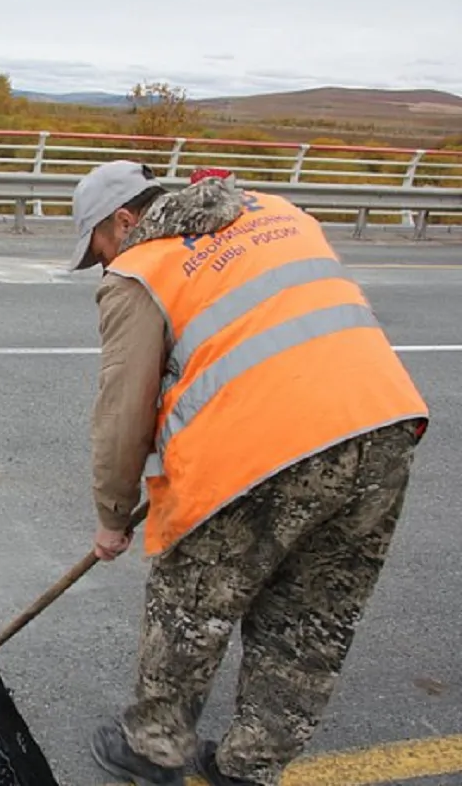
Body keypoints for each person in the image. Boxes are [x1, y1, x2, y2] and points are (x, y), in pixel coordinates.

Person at [69, 160, 429, 785]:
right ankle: (249, 767)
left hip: (262, 441)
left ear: (124, 221)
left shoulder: (141, 268)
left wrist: (112, 516)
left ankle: (152, 748)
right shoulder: (274, 210)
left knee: (191, 602)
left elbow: (124, 413)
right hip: (382, 426)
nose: (103, 265)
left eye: (98, 249)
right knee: (311, 617)